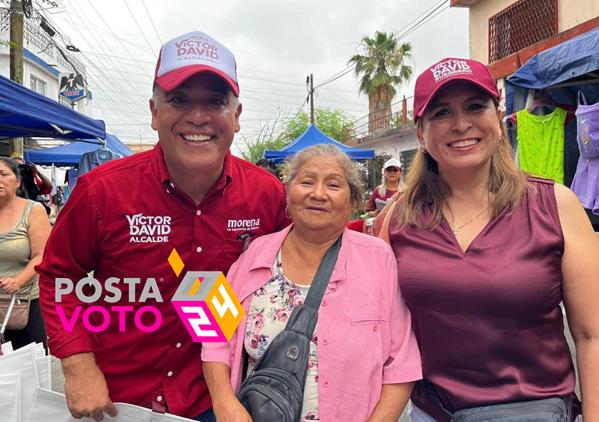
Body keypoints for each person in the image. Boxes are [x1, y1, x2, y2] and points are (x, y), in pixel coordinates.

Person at [36, 31, 289, 421]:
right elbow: (58, 276)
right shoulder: (101, 192)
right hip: (118, 403)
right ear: (154, 112)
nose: (198, 116)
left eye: (215, 102)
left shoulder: (267, 196)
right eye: (178, 100)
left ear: (236, 117)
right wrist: (77, 364)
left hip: (218, 402)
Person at [378, 57, 599, 420]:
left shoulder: (555, 205)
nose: (461, 124)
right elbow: (373, 327)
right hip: (432, 412)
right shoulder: (398, 220)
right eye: (441, 113)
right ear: (420, 132)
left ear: (498, 116)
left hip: (531, 410)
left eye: (475, 106)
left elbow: (592, 334)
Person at [202, 144, 422, 422]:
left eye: (333, 184)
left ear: (352, 199)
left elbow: (401, 361)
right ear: (289, 193)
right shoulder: (255, 253)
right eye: (306, 181)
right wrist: (223, 401)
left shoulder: (378, 260)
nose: (318, 194)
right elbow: (212, 334)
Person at [0, 157, 51, 349]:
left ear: (18, 181)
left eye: (4, 174)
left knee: (28, 368)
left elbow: (42, 255)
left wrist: (18, 281)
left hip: (23, 302)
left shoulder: (33, 210)